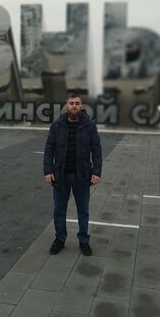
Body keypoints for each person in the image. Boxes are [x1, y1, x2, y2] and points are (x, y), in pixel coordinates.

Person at [43, 94, 102, 256]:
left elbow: (96, 150)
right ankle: (60, 240)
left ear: (81, 106)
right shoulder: (57, 125)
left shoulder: (89, 125)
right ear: (66, 105)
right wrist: (48, 171)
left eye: (77, 103)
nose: (74, 106)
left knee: (83, 211)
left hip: (81, 175)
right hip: (60, 175)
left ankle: (84, 241)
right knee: (59, 210)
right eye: (71, 103)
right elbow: (49, 149)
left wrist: (96, 172)